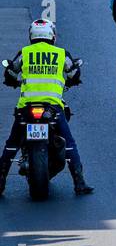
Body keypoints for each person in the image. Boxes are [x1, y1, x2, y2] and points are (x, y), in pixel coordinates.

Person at [0, 19, 93, 197]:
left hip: (26, 108)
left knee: (12, 145)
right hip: (53, 108)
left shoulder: (25, 53)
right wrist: (73, 80)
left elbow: (10, 72)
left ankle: (1, 181)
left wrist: (13, 81)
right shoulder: (60, 54)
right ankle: (79, 182)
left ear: (31, 35)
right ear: (52, 35)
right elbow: (74, 73)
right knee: (69, 144)